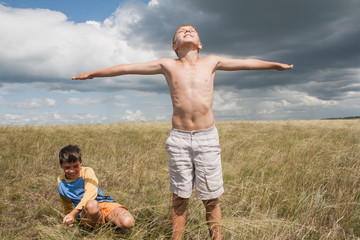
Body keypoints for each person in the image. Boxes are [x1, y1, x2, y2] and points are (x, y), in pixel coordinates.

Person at [72, 24, 293, 239]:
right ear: (174, 45)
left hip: (207, 137)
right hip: (179, 139)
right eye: (181, 31)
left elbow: (247, 63)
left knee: (212, 198)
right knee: (179, 198)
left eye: (192, 30)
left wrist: (275, 65)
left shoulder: (211, 62)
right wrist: (92, 74)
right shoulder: (168, 65)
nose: (187, 30)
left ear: (200, 44)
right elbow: (126, 68)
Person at [57, 144, 135, 229]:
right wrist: (68, 218)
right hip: (87, 212)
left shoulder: (87, 171)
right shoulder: (61, 182)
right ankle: (99, 231)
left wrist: (73, 213)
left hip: (105, 204)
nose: (72, 171)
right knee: (92, 206)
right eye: (67, 167)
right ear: (61, 165)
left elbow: (91, 193)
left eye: (75, 166)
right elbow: (66, 204)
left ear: (81, 161)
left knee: (128, 223)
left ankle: (109, 224)